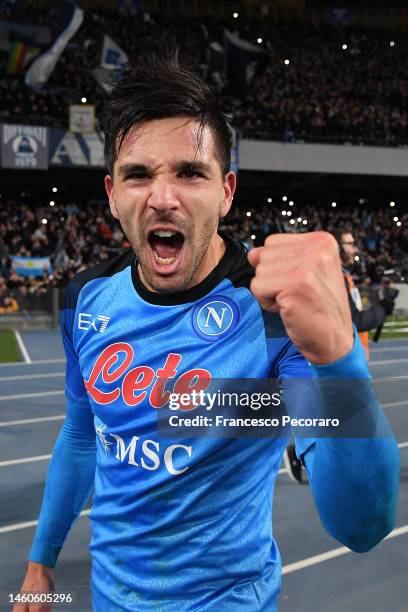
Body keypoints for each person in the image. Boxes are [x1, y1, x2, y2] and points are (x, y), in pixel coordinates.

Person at [16, 55, 399, 612]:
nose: (163, 197)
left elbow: (361, 526)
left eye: (190, 172)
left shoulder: (269, 309)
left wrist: (339, 359)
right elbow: (81, 436)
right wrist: (38, 565)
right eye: (139, 174)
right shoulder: (85, 299)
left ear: (226, 191)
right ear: (111, 193)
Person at [284, 227, 396, 484]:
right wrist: (384, 308)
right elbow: (354, 321)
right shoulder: (333, 276)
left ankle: (305, 456)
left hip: (351, 357)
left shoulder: (344, 275)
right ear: (334, 247)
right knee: (353, 422)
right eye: (349, 243)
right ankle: (318, 464)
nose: (355, 248)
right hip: (342, 362)